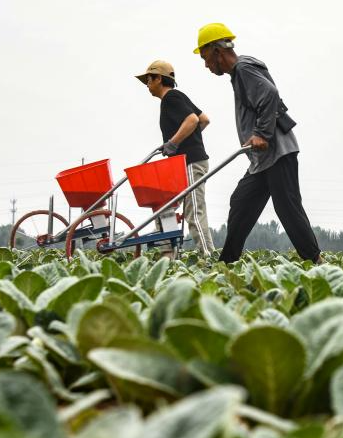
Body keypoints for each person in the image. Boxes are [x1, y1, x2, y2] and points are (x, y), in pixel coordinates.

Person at [194, 23, 321, 263]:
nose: (206, 65)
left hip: (277, 152)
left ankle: (316, 261)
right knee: (241, 202)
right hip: (262, 159)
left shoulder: (243, 69)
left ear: (216, 51)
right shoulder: (240, 72)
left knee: (288, 208)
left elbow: (270, 94)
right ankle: (227, 262)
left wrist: (262, 133)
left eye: (205, 58)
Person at [135, 60, 215, 256]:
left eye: (149, 80)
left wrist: (175, 142)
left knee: (194, 211)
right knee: (164, 204)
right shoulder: (175, 98)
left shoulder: (171, 98)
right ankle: (167, 253)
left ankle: (209, 257)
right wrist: (187, 138)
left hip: (191, 161)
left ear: (159, 79)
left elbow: (193, 119)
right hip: (182, 162)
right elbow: (203, 119)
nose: (147, 85)